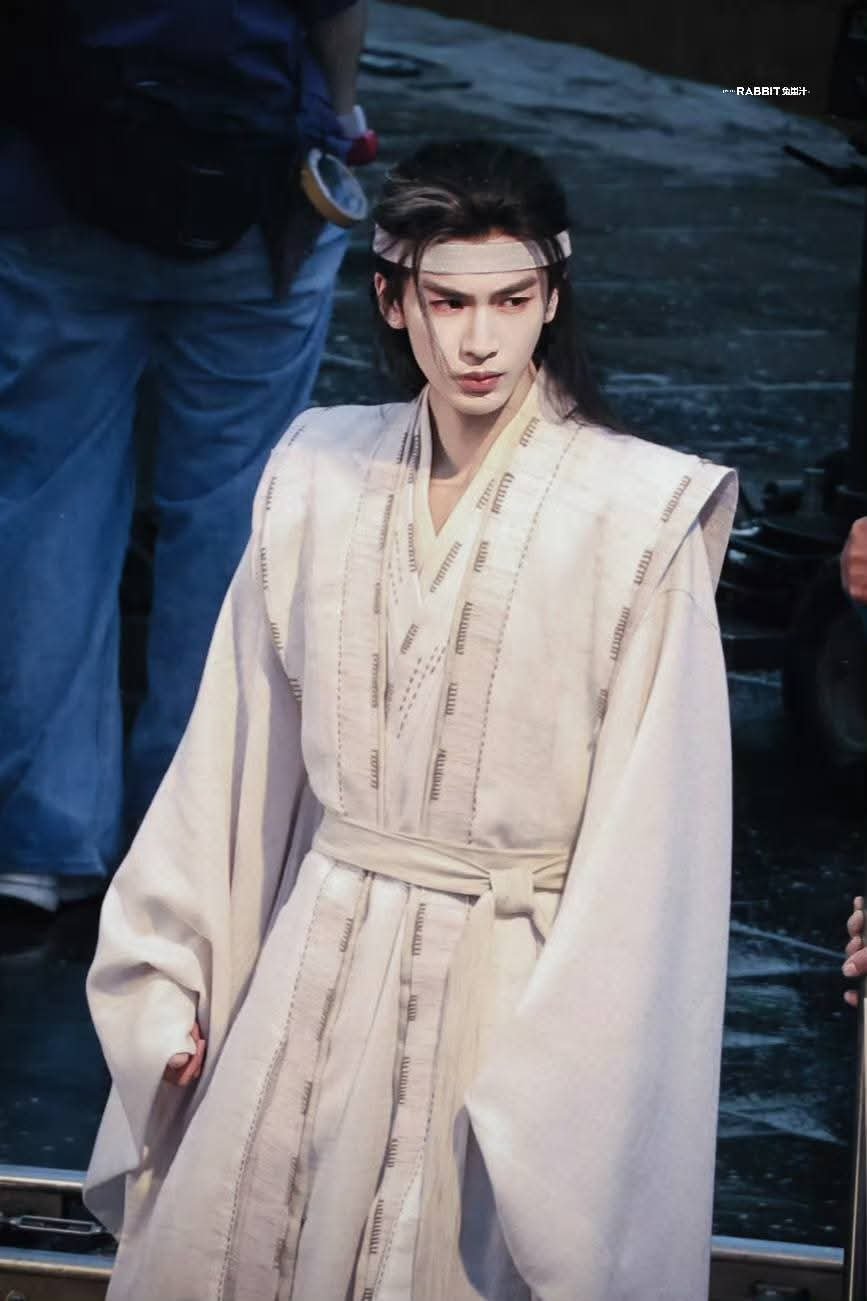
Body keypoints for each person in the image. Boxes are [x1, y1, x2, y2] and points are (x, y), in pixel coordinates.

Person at [83, 139, 738, 1300]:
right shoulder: (317, 473)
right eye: (448, 301)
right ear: (394, 299)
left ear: (552, 298)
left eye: (511, 301)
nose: (479, 340)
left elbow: (658, 848)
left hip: (510, 982)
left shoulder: (639, 517)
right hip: (315, 960)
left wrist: (575, 1085)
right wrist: (174, 967)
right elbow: (233, 749)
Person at [0, 0, 369, 912]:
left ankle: (41, 848)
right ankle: (193, 839)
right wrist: (344, 121)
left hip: (58, 190)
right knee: (231, 516)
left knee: (48, 506)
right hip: (255, 199)